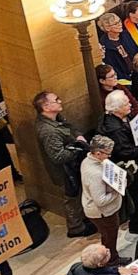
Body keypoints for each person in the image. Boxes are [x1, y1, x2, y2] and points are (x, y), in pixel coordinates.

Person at [35, 90, 93, 238]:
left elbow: (71, 128)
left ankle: (83, 219)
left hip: (73, 167)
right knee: (71, 198)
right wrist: (77, 147)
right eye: (56, 100)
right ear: (46, 107)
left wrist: (78, 136)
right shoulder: (48, 131)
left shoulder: (57, 118)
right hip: (65, 171)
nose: (60, 101)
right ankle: (76, 227)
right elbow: (58, 156)